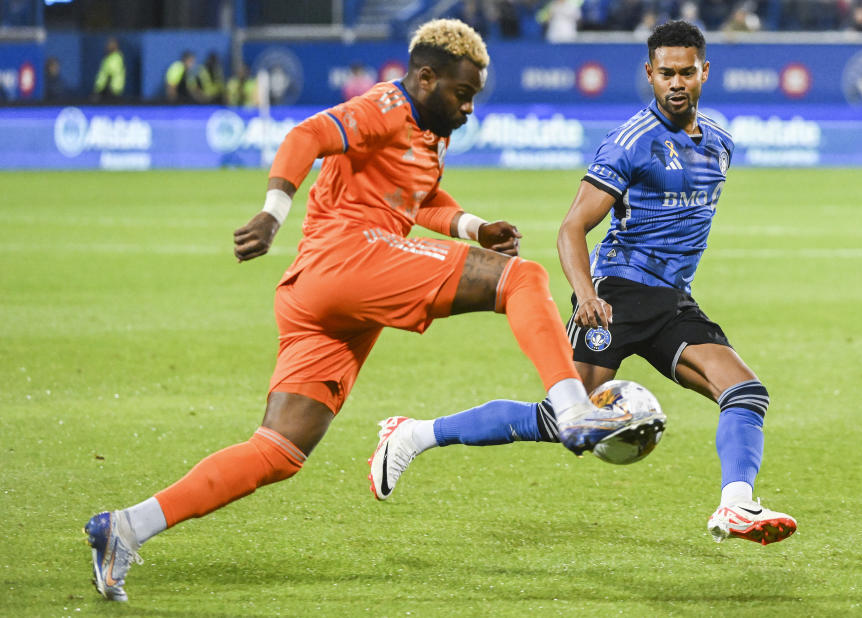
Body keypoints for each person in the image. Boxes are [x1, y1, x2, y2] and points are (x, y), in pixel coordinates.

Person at [82, 18, 616, 602]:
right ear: (426, 77)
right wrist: (272, 212)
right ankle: (572, 409)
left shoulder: (429, 128)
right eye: (462, 95)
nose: (468, 109)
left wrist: (472, 227)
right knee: (524, 279)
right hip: (347, 259)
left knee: (280, 449)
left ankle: (127, 527)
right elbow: (305, 136)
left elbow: (416, 198)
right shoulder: (385, 105)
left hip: (322, 295)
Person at [368, 20, 798, 547]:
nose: (677, 83)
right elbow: (572, 228)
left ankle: (735, 505)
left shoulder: (720, 145)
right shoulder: (629, 144)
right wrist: (589, 294)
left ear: (704, 72)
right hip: (616, 297)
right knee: (562, 422)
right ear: (650, 74)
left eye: (687, 72)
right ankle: (412, 434)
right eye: (666, 73)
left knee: (746, 392)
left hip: (672, 302)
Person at [92, 37, 125, 102]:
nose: (108, 47)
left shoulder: (115, 57)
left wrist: (103, 89)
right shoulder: (109, 57)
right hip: (106, 90)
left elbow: (110, 74)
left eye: (111, 45)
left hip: (111, 90)